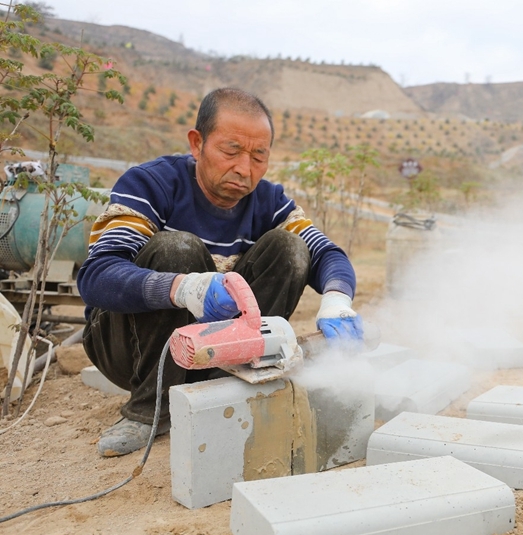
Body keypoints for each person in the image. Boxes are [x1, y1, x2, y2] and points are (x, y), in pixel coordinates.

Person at [77, 87, 362, 458]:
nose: (245, 169)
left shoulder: (269, 201)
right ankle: (150, 409)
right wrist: (182, 288)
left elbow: (326, 253)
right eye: (231, 151)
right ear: (197, 144)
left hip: (211, 352)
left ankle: (222, 387)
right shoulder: (151, 184)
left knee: (291, 248)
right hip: (126, 349)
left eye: (259, 156)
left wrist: (337, 299)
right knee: (177, 249)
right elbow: (97, 275)